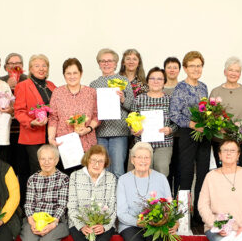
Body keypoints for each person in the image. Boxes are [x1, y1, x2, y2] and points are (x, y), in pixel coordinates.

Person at [169, 51, 210, 228]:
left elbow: (207, 110)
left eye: (199, 65)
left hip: (204, 135)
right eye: (192, 65)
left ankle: (200, 215)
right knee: (186, 175)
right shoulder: (180, 88)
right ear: (185, 68)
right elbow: (174, 115)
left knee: (203, 174)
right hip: (188, 134)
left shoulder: (203, 87)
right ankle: (184, 217)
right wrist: (192, 124)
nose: (196, 69)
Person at [90, 48, 135, 178]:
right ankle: (105, 198)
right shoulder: (94, 84)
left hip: (119, 131)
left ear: (116, 63)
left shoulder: (123, 81)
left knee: (118, 170)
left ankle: (118, 198)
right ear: (99, 64)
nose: (106, 64)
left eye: (110, 61)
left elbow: (132, 106)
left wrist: (122, 99)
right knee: (102, 170)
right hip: (100, 131)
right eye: (103, 61)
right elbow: (91, 109)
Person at [209, 57, 242, 172]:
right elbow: (210, 118)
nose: (234, 73)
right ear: (225, 72)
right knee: (223, 176)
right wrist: (219, 130)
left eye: (237, 71)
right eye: (231, 70)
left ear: (240, 73)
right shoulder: (216, 92)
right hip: (221, 142)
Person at [14, 54, 56, 181]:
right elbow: (19, 111)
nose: (41, 68)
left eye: (44, 66)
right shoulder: (23, 85)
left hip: (51, 135)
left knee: (52, 170)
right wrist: (31, 122)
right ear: (31, 69)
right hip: (32, 136)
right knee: (37, 171)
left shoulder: (51, 85)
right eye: (37, 66)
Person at [48, 58, 99, 158]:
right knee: (67, 174)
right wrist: (51, 138)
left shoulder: (91, 92)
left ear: (81, 73)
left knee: (86, 173)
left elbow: (97, 116)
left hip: (87, 143)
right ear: (64, 75)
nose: (72, 76)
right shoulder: (57, 93)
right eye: (68, 73)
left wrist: (88, 129)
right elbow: (53, 118)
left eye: (75, 73)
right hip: (65, 145)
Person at [131, 67, 176, 177]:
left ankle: (160, 194)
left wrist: (170, 129)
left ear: (164, 82)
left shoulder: (170, 100)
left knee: (162, 170)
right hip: (143, 144)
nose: (156, 81)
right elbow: (131, 120)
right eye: (152, 78)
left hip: (164, 143)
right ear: (147, 81)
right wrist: (134, 130)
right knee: (143, 173)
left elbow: (176, 123)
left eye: (159, 79)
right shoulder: (138, 99)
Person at [0, 52, 29, 188]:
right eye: (11, 64)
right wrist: (6, 85)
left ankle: (22, 202)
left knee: (23, 168)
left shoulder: (28, 80)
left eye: (18, 64)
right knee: (6, 168)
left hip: (24, 131)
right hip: (4, 132)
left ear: (22, 66)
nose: (14, 66)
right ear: (6, 67)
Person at [163, 57, 182, 193]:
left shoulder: (183, 88)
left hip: (181, 136)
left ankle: (180, 204)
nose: (172, 70)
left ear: (180, 70)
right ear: (164, 69)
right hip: (163, 138)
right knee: (166, 170)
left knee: (180, 169)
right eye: (169, 67)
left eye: (175, 67)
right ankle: (167, 202)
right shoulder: (158, 88)